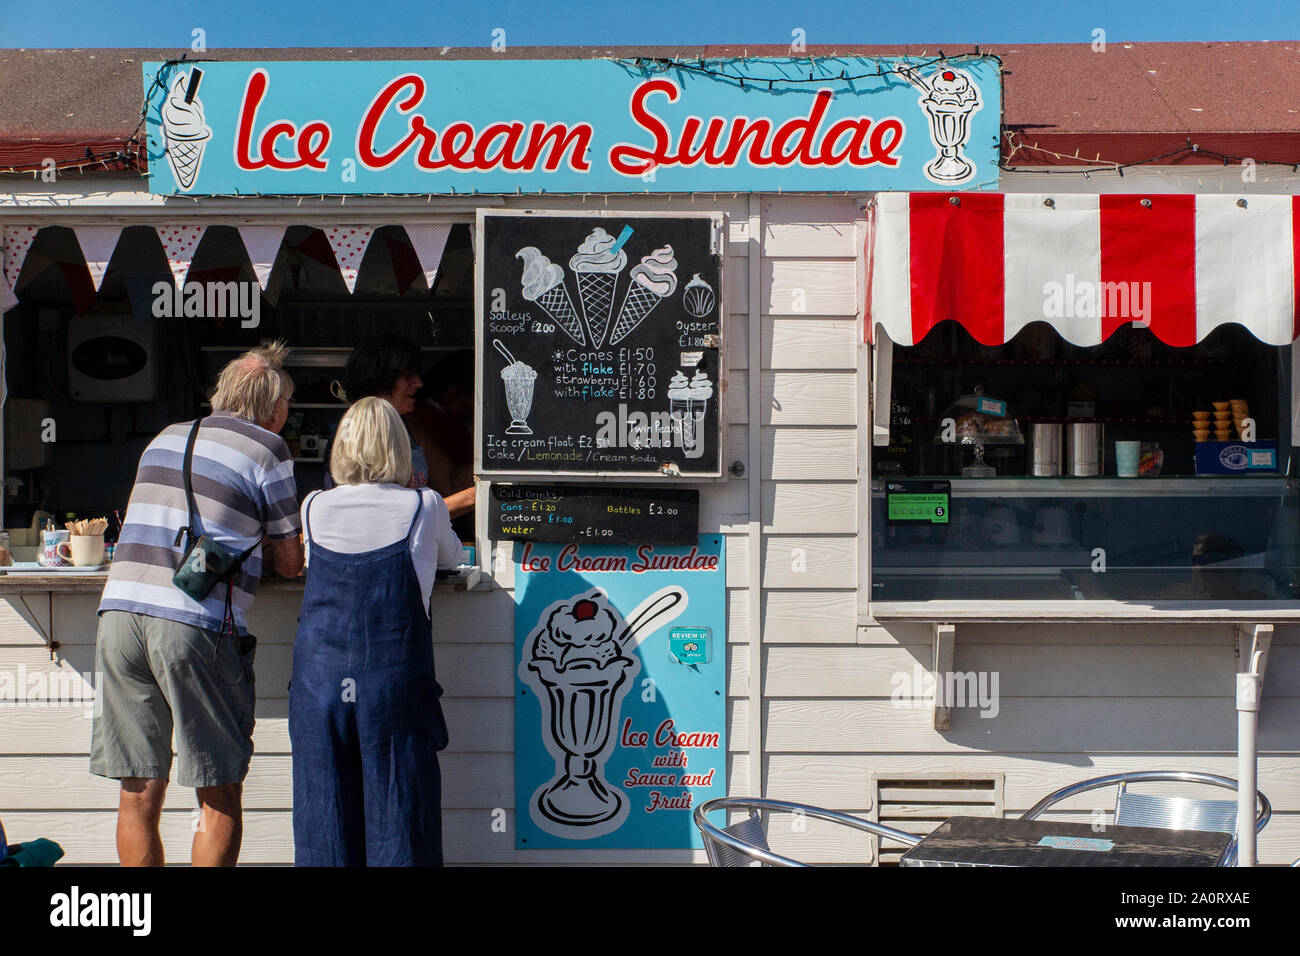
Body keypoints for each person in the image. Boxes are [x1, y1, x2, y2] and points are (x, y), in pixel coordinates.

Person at [92, 342, 305, 866]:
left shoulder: (167, 436)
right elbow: (289, 562)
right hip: (194, 626)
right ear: (274, 406)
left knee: (138, 791)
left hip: (118, 616)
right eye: (288, 405)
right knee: (219, 791)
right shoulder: (268, 450)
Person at [290, 397, 462, 866]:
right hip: (393, 681)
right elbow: (452, 559)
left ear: (340, 448)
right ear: (400, 448)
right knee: (401, 810)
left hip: (319, 683)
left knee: (324, 813)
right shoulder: (422, 507)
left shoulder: (314, 507)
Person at [328, 335, 475, 518]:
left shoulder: (409, 425)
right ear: (381, 379)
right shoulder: (356, 433)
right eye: (408, 376)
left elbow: (450, 482)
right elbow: (385, 517)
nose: (419, 384)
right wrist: (475, 496)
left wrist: (496, 470)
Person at [410, 348, 475, 535]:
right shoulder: (436, 420)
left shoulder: (420, 416)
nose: (473, 407)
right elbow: (451, 485)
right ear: (454, 394)